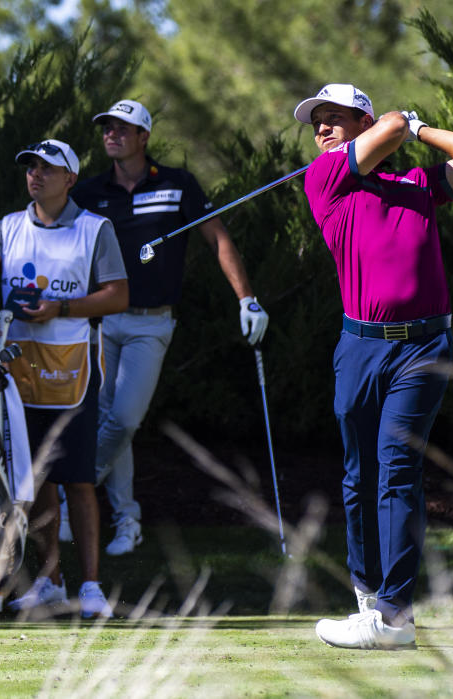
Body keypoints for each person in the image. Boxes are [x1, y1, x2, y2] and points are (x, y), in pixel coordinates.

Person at [292, 84, 453, 649]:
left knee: (397, 468)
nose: (322, 130)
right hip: (360, 347)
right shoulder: (325, 181)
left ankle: (393, 615)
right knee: (358, 477)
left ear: (359, 122)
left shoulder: (417, 187)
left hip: (422, 349)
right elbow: (384, 129)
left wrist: (418, 128)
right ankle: (367, 591)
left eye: (334, 119)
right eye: (317, 123)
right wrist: (394, 124)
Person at [0, 139, 129, 618]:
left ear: (70, 179)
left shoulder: (95, 229)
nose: (35, 176)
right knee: (36, 475)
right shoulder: (8, 227)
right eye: (30, 168)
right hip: (18, 367)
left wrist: (61, 308)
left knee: (80, 479)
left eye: (47, 169)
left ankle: (90, 585)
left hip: (74, 367)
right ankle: (49, 578)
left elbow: (117, 296)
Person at [69, 100, 269, 555]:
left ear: (144, 137)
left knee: (122, 420)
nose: (111, 135)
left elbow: (217, 237)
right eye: (107, 128)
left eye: (123, 128)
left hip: (150, 325)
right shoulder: (91, 191)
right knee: (107, 423)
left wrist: (247, 298)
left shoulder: (178, 185)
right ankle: (126, 522)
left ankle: (67, 498)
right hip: (100, 323)